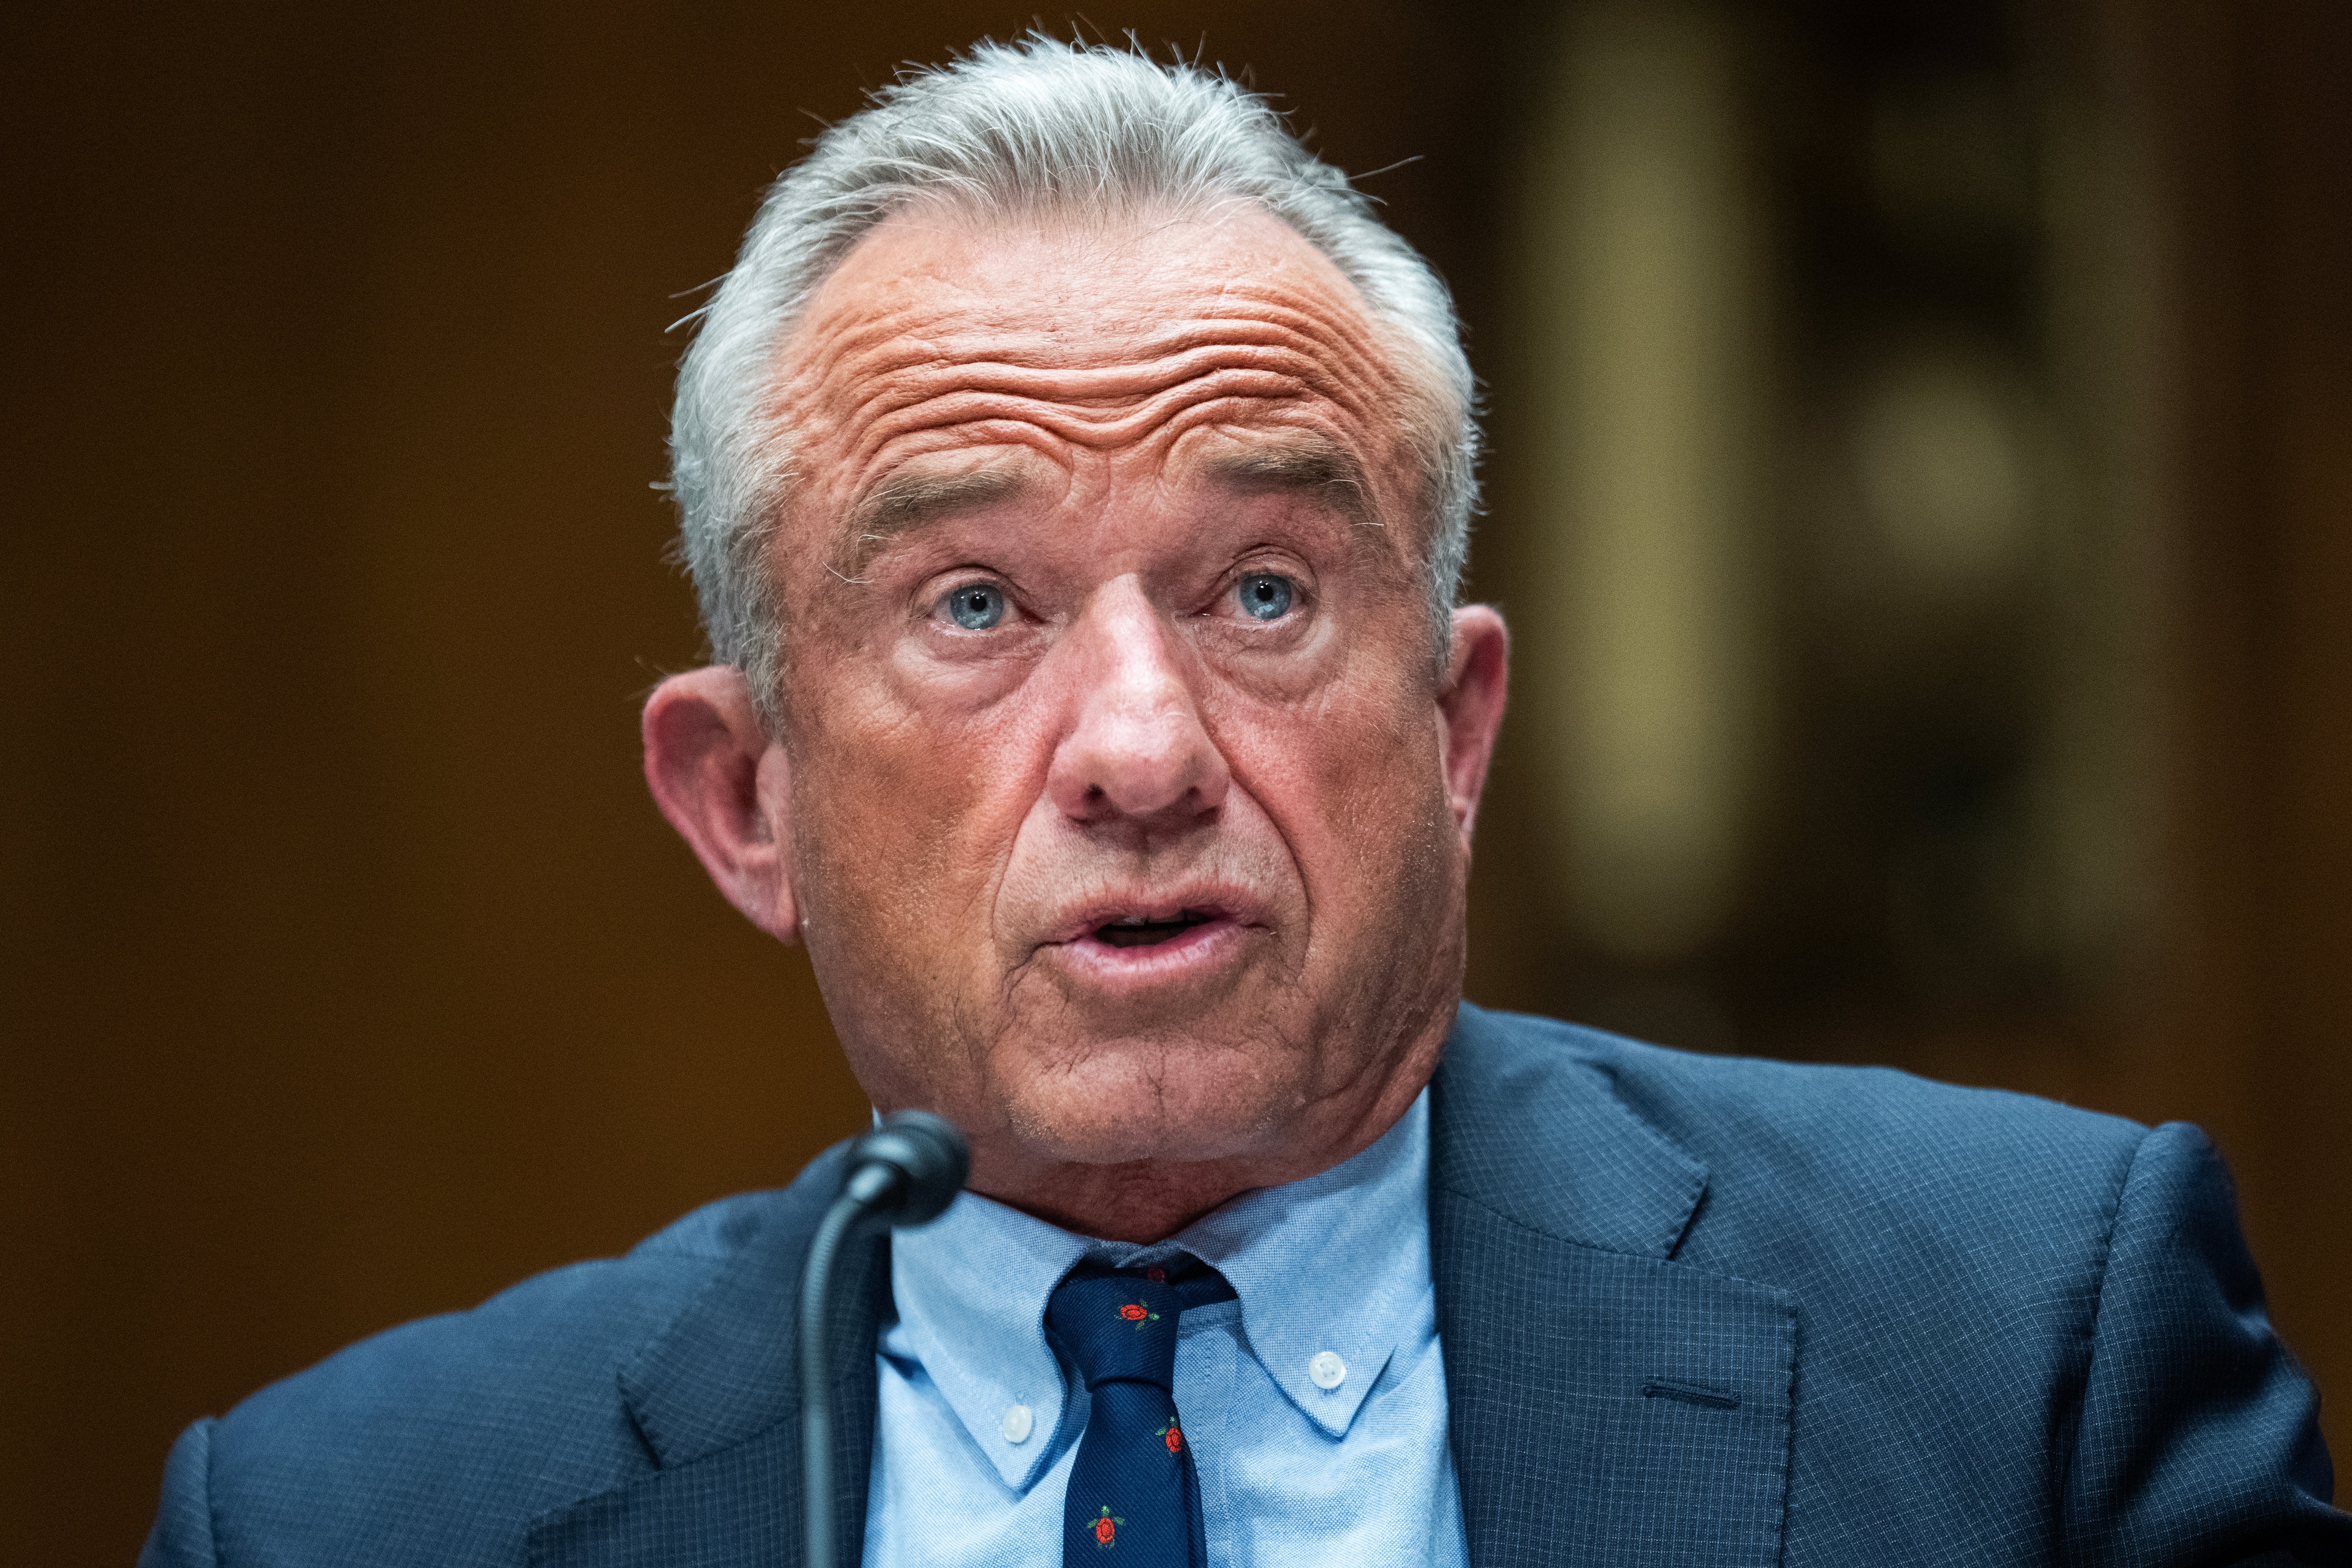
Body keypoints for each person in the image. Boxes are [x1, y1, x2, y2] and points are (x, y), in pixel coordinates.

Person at [142, 39, 2342, 1568]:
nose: (1141, 750)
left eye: (1264, 591)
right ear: (747, 801)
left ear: (1458, 730)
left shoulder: (2021, 1347)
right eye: (976, 602)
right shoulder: (358, 1516)